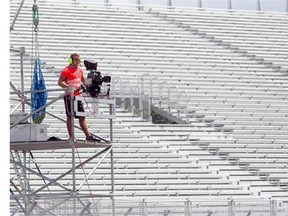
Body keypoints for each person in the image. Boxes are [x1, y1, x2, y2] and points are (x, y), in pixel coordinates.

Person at [58, 53, 100, 142]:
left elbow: (84, 81)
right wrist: (68, 87)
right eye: (76, 60)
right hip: (69, 96)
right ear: (71, 60)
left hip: (78, 96)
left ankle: (88, 136)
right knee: (70, 116)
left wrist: (93, 80)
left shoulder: (80, 70)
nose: (78, 62)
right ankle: (72, 136)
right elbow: (60, 82)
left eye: (79, 60)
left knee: (82, 116)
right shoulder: (66, 70)